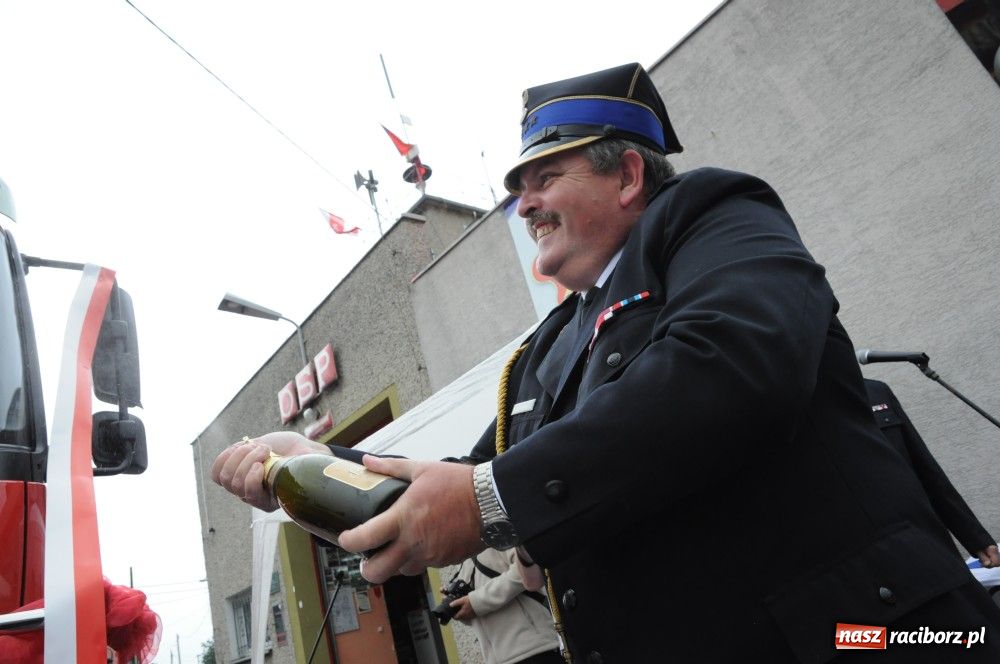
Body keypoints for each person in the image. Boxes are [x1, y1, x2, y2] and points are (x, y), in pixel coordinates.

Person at [214, 63, 1000, 662]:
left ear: (628, 175)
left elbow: (735, 360)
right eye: (517, 187)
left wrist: (491, 495)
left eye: (545, 176)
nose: (523, 205)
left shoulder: (711, 218)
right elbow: (461, 478)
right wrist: (317, 464)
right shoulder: (543, 351)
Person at [865, 378, 1000, 567]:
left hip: (927, 535)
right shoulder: (813, 408)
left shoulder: (876, 391)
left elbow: (926, 469)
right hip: (875, 556)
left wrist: (975, 537)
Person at [442, 548, 562, 664]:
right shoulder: (461, 565)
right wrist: (461, 609)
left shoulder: (494, 536)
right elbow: (480, 613)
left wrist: (476, 602)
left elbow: (525, 571)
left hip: (534, 649)